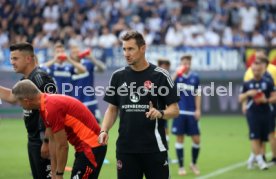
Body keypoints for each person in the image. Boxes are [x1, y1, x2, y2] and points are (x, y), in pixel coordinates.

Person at [98, 30, 180, 179]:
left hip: (154, 149)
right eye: (124, 49)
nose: (126, 53)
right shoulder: (118, 76)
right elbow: (112, 109)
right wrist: (104, 130)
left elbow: (174, 110)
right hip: (125, 149)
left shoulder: (160, 75)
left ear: (143, 48)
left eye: (131, 49)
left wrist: (160, 113)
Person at [12, 79, 107, 179]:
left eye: (19, 102)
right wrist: (54, 172)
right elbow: (52, 141)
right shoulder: (44, 105)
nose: (19, 105)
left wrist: (59, 174)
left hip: (92, 147)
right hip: (86, 148)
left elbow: (62, 146)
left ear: (27, 101)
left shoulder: (51, 107)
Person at [0, 42, 55, 179]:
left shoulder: (41, 78)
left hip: (43, 141)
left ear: (28, 59)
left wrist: (47, 142)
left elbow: (52, 112)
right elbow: (13, 97)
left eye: (15, 58)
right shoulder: (25, 79)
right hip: (33, 140)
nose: (12, 62)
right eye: (11, 58)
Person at [239, 56, 276, 170]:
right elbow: (240, 98)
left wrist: (266, 100)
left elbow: (274, 97)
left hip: (266, 112)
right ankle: (260, 161)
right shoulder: (247, 83)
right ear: (251, 69)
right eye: (254, 69)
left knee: (265, 137)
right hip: (253, 113)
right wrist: (247, 94)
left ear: (262, 69)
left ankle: (253, 158)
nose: (256, 71)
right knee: (255, 137)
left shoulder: (268, 82)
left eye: (258, 69)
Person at [171, 54, 202, 176]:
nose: (186, 65)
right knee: (180, 139)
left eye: (188, 63)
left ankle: (193, 163)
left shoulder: (195, 77)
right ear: (180, 64)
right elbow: (167, 85)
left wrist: (198, 110)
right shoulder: (177, 76)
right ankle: (181, 166)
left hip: (191, 112)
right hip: (179, 112)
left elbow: (198, 94)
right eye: (184, 63)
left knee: (196, 139)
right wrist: (176, 73)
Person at [69, 45, 106, 122]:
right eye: (74, 52)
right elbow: (81, 70)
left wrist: (92, 58)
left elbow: (102, 69)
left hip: (91, 102)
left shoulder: (88, 63)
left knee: (97, 128)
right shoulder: (69, 68)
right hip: (77, 103)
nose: (76, 54)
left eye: (78, 52)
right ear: (70, 55)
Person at [157, 58, 171, 142]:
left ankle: (165, 153)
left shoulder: (168, 80)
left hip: (163, 110)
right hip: (153, 109)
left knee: (165, 131)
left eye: (166, 67)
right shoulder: (154, 78)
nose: (165, 69)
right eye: (163, 67)